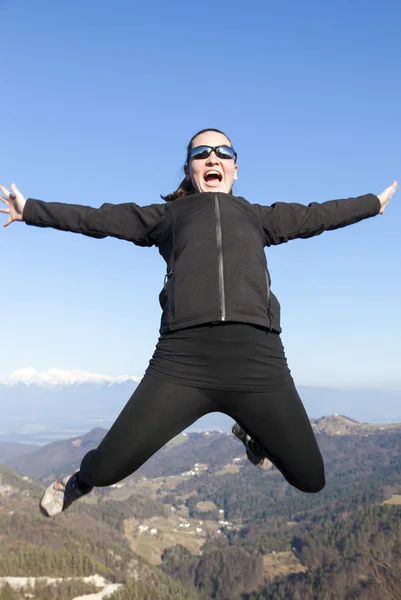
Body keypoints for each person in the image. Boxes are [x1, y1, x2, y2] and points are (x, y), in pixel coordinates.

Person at [0, 129, 397, 518]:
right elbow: (99, 219)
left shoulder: (259, 217)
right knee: (106, 469)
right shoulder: (168, 217)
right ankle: (79, 481)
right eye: (201, 153)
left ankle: (251, 430)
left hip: (258, 360)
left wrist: (370, 205)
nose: (213, 158)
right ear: (190, 169)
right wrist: (30, 210)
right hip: (182, 362)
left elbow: (318, 215)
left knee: (312, 478)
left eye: (223, 152)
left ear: (235, 168)